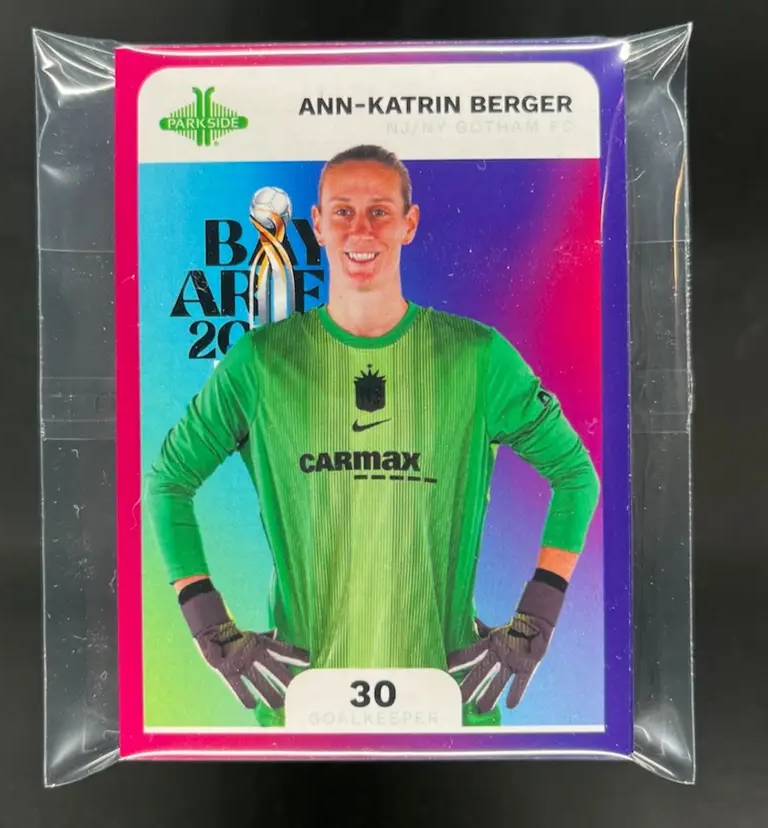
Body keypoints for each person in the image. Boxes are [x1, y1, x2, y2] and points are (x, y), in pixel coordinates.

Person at [144, 144, 600, 728]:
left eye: (380, 211)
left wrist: (539, 612)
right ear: (317, 224)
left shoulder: (477, 357)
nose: (361, 229)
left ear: (409, 223)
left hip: (447, 705)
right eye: (343, 211)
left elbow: (575, 476)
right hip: (304, 707)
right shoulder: (262, 362)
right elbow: (169, 482)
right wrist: (206, 619)